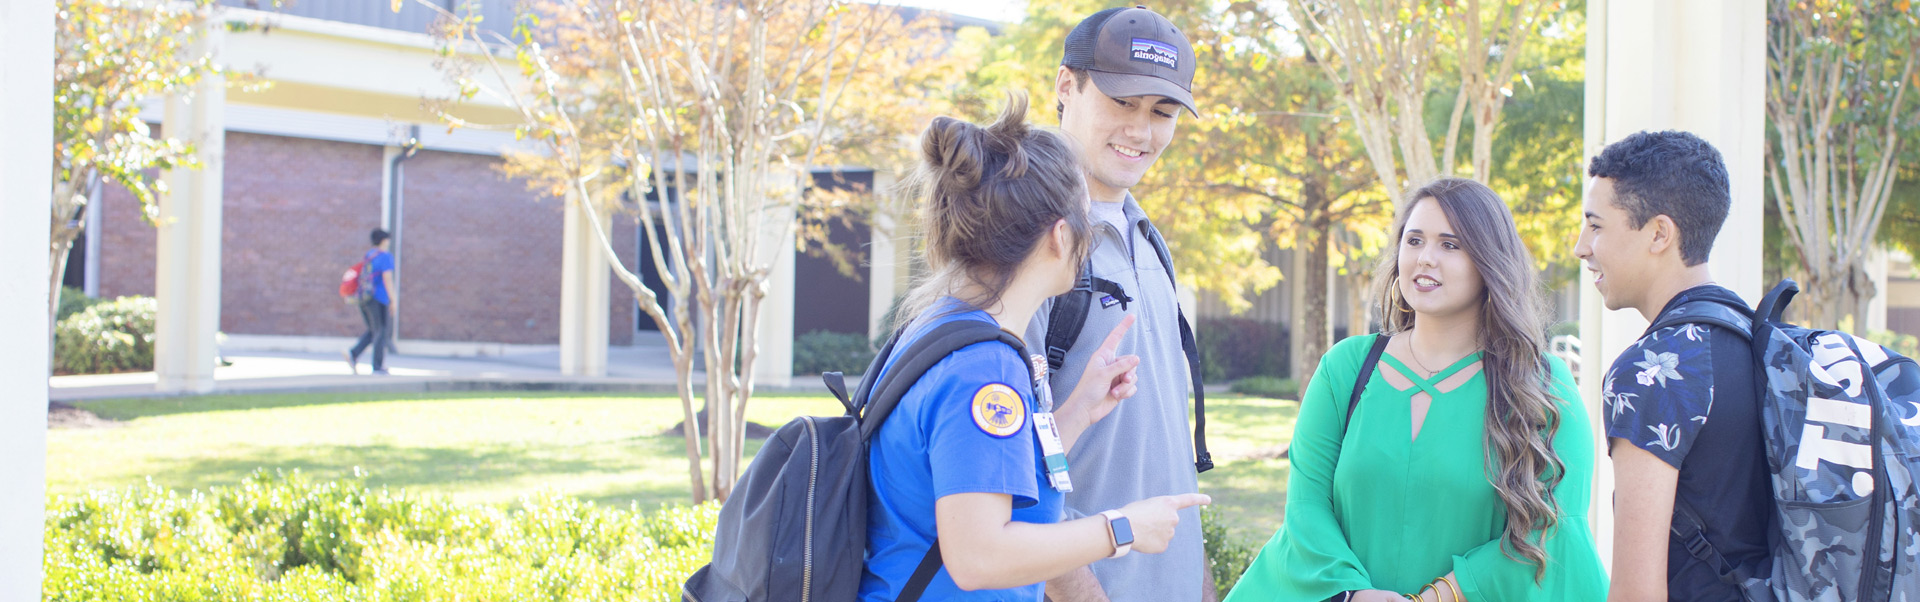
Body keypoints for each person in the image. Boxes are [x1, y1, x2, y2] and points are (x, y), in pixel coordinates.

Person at [860, 95, 1210, 602]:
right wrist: (1123, 528)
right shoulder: (985, 369)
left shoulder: (943, 329)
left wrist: (1074, 414)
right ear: (1060, 235)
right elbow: (978, 556)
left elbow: (981, 476)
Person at [1228, 178, 1608, 601]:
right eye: (1414, 240)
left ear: (1489, 261)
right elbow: (1306, 508)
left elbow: (1555, 528)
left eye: (1450, 245)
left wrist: (1437, 597)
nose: (1425, 259)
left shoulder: (1542, 384)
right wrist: (1355, 594)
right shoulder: (1346, 369)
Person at [1031, 7, 1212, 601]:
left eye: (1162, 112)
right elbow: (1009, 471)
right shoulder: (1027, 241)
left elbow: (1160, 450)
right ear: (1066, 86)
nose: (1141, 130)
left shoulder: (1147, 240)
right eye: (1122, 102)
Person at [1576, 131, 1769, 602]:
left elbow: (1636, 594)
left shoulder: (1650, 373)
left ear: (1659, 233)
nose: (1581, 247)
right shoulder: (1758, 342)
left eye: (1596, 226)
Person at [344, 228, 396, 375]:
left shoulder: (369, 255)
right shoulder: (385, 256)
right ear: (384, 241)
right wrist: (393, 299)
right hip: (379, 298)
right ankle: (378, 366)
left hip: (365, 298)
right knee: (381, 330)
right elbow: (387, 279)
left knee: (374, 330)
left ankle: (354, 353)